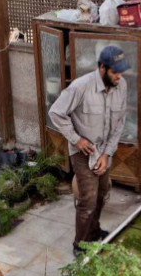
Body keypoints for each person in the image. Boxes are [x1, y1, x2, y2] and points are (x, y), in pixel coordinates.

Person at [48, 45, 129, 253]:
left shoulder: (122, 86)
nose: (119, 76)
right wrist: (76, 139)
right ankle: (80, 245)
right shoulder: (80, 87)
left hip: (104, 151)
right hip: (83, 152)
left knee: (102, 194)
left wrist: (107, 153)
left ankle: (94, 232)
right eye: (114, 72)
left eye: (121, 71)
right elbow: (56, 112)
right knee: (88, 200)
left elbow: (119, 123)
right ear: (102, 67)